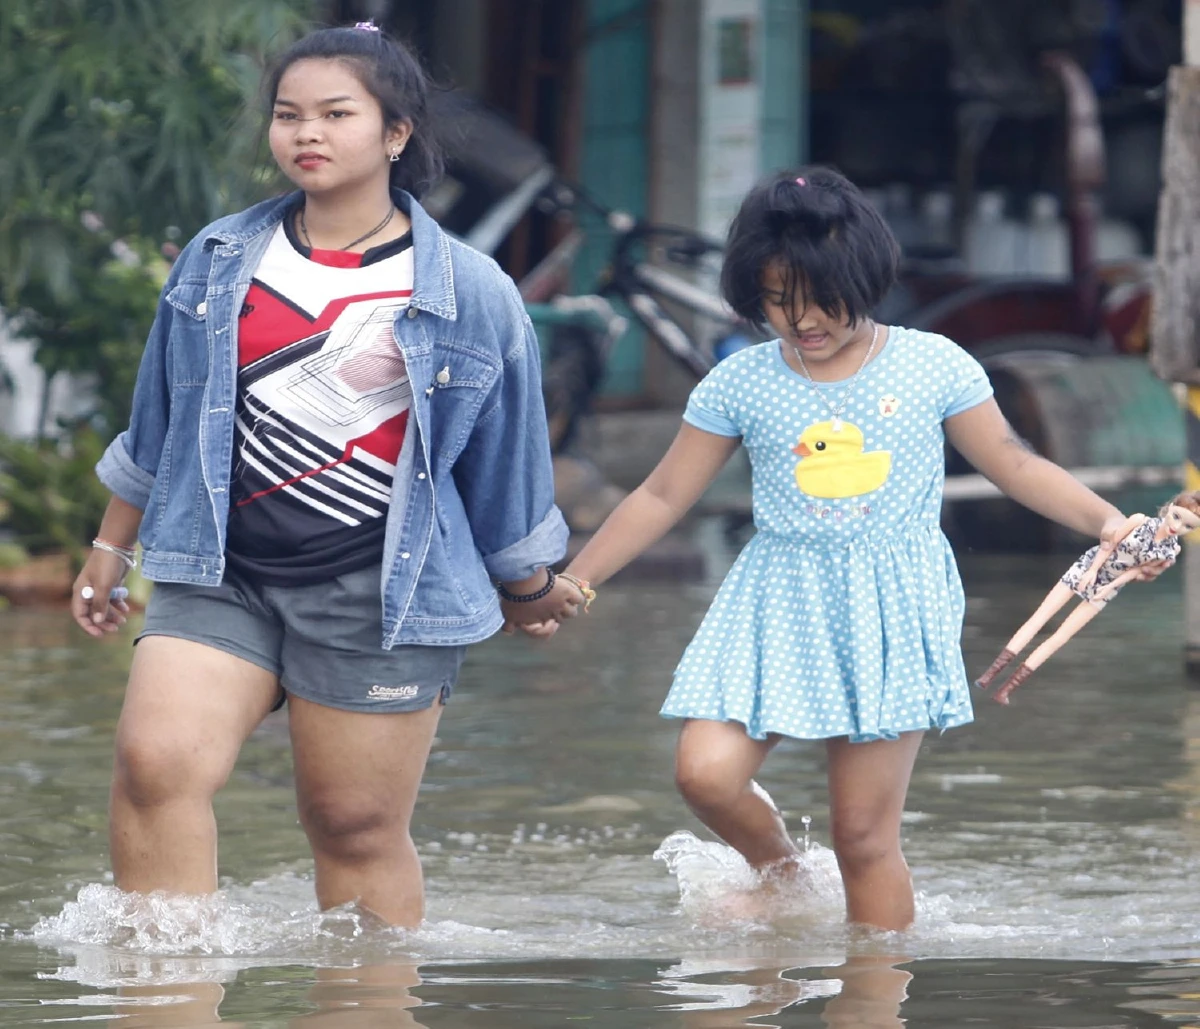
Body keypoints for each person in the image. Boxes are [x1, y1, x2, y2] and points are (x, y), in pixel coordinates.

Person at [522, 167, 1172, 930]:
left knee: (863, 836)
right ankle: (784, 875)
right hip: (775, 594)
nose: (801, 323)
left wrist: (1109, 523)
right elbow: (663, 495)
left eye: (819, 302)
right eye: (776, 303)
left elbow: (1014, 461)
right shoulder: (740, 382)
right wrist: (577, 580)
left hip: (892, 600)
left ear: (862, 277)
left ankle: (872, 1002)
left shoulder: (934, 363)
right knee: (704, 774)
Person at [71, 22, 584, 927]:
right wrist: (111, 544)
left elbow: (505, 459)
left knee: (351, 824)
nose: (306, 133)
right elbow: (161, 413)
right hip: (218, 567)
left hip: (378, 591)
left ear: (396, 134)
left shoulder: (471, 291)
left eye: (335, 115)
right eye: (288, 115)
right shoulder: (220, 258)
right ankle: (165, 993)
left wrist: (529, 581)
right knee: (155, 767)